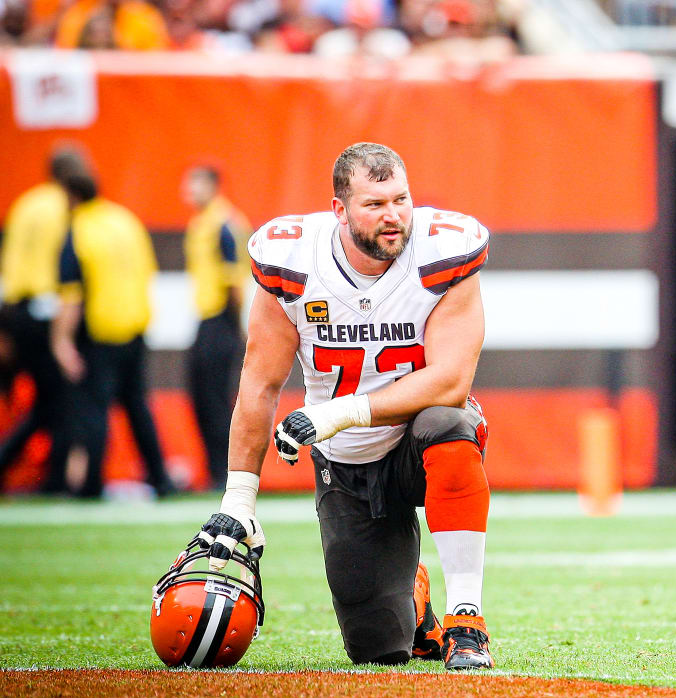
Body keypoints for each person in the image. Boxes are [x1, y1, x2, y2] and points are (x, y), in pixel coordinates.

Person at [193, 142, 494, 670]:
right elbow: (259, 385)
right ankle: (415, 603)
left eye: (401, 199)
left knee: (450, 423)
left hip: (413, 440)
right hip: (346, 463)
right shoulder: (292, 260)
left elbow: (449, 381)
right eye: (374, 204)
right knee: (379, 648)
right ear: (340, 210)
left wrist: (336, 413)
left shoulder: (444, 251)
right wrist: (238, 498)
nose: (393, 215)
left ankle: (466, 619)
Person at [51, 169, 175, 499]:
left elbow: (72, 295)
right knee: (137, 406)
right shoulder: (124, 221)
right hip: (135, 327)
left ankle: (90, 485)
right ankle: (160, 477)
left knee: (94, 412)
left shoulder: (78, 230)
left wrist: (62, 342)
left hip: (101, 331)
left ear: (70, 195)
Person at [0, 148, 85, 493]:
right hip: (44, 311)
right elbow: (66, 265)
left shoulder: (26, 204)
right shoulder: (62, 208)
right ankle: (52, 479)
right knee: (59, 400)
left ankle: (43, 474)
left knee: (48, 400)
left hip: (16, 310)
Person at [181, 166, 251, 490]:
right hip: (207, 318)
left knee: (217, 400)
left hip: (221, 320)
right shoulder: (202, 224)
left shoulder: (224, 224)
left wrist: (237, 329)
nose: (188, 190)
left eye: (194, 183)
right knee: (203, 397)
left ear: (212, 185)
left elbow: (235, 281)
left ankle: (226, 476)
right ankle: (214, 473)